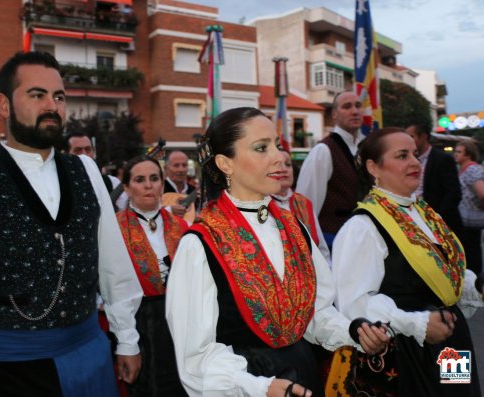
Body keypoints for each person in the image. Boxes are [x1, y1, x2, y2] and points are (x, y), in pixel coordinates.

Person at [0, 51, 143, 396]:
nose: (52, 105)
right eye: (37, 95)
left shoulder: (88, 171)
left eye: (59, 96)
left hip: (89, 356)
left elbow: (112, 261)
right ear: (3, 105)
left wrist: (127, 338)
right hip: (7, 371)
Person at [166, 107, 389, 397]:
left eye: (277, 145)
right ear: (225, 163)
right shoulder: (200, 243)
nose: (277, 158)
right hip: (245, 384)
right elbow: (195, 355)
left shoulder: (294, 227)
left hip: (303, 372)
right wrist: (260, 387)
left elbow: (314, 312)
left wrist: (352, 331)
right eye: (261, 148)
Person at [332, 127, 483, 396]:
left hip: (450, 342)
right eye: (402, 156)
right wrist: (417, 322)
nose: (414, 162)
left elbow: (445, 272)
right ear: (373, 168)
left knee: (459, 393)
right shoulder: (362, 227)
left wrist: (475, 286)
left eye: (414, 154)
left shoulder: (424, 213)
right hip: (407, 351)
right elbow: (355, 303)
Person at [116, 156, 188, 397]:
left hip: (180, 322)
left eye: (154, 179)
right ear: (126, 187)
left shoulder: (182, 227)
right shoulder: (114, 229)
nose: (148, 185)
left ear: (162, 183)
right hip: (138, 323)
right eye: (139, 179)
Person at [296, 91, 364, 249]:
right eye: (347, 106)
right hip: (332, 243)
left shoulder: (362, 148)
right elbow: (305, 206)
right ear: (334, 114)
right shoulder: (323, 150)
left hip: (359, 241)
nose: (354, 111)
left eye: (358, 106)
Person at [272, 149, 331, 263]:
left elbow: (321, 249)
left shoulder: (303, 203)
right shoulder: (260, 204)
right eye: (277, 165)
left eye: (288, 165)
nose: (284, 169)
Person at [406, 123, 463, 233]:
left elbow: (453, 193)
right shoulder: (410, 161)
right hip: (417, 221)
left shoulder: (443, 159)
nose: (408, 141)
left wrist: (437, 218)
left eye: (411, 137)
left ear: (423, 136)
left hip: (441, 224)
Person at [454, 139, 484, 275]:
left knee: (472, 251)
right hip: (467, 219)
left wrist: (479, 209)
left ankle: (476, 280)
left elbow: (482, 193)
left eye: (459, 152)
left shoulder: (472, 169)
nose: (455, 154)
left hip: (473, 219)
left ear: (468, 154)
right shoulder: (463, 169)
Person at [163, 150, 195, 218]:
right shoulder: (158, 189)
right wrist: (169, 210)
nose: (181, 169)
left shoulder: (194, 191)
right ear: (166, 169)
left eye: (184, 165)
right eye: (176, 165)